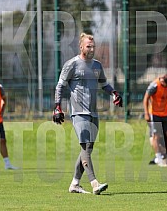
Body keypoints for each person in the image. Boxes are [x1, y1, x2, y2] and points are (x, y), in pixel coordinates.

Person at [53, 33, 123, 195]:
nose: (91, 49)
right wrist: (57, 107)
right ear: (81, 47)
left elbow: (104, 84)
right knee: (85, 147)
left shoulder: (97, 66)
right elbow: (60, 86)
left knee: (87, 149)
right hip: (78, 113)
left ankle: (75, 184)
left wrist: (114, 93)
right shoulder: (72, 64)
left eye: (93, 47)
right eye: (88, 46)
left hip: (94, 113)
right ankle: (94, 183)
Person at [143, 73, 167, 166]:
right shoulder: (154, 86)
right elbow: (146, 98)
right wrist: (146, 113)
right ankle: (158, 158)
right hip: (155, 114)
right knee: (156, 136)